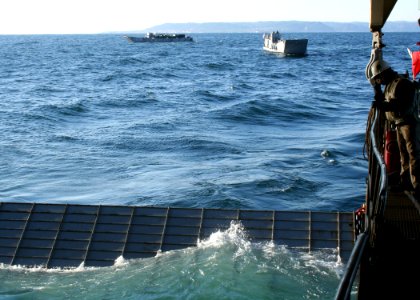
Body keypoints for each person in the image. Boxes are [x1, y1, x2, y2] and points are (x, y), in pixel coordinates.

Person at [371, 60, 420, 199]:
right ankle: (406, 182)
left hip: (408, 123)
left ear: (384, 73)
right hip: (399, 123)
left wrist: (385, 106)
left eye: (379, 78)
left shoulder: (402, 83)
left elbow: (402, 104)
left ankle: (417, 185)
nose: (380, 81)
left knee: (413, 154)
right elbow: (383, 101)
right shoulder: (389, 85)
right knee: (403, 155)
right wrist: (377, 90)